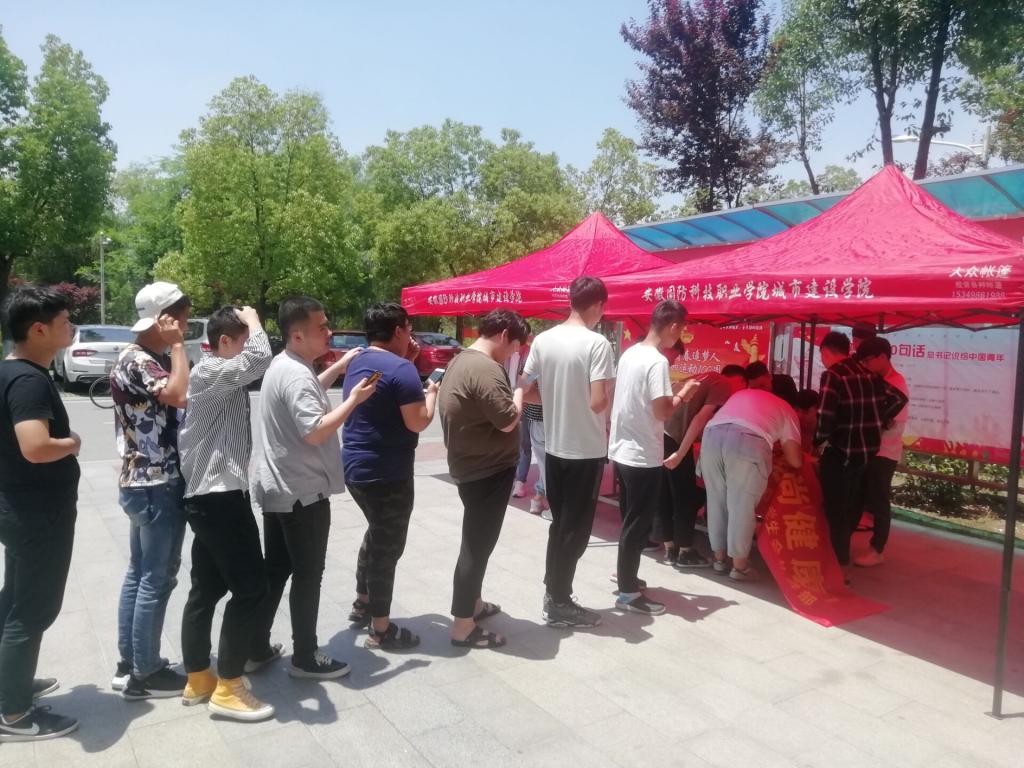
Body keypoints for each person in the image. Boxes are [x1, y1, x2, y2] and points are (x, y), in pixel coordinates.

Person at [251, 296, 375, 680]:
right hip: (302, 494)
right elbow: (315, 429)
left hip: (278, 488)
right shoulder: (296, 374)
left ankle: (255, 647)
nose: (329, 331)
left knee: (277, 570)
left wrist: (338, 366)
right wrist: (353, 400)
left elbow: (307, 396)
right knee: (308, 575)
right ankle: (305, 656)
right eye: (322, 327)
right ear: (297, 334)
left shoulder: (285, 365)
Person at [177, 306, 278, 721]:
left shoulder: (216, 375)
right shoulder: (212, 371)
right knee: (251, 589)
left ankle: (199, 676)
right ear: (224, 342)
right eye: (242, 340)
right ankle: (229, 686)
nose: (248, 345)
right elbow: (259, 359)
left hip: (209, 498)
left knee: (206, 589)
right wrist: (254, 319)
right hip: (219, 498)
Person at [0, 287, 80, 742]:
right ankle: (13, 715)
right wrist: (71, 444)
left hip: (18, 507)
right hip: (36, 515)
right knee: (33, 610)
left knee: (15, 600)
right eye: (65, 322)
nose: (71, 327)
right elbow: (35, 446)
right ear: (38, 330)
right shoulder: (29, 380)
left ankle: (8, 684)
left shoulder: (9, 371)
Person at [111, 282, 192, 700]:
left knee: (140, 573)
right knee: (156, 579)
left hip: (140, 480)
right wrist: (178, 347)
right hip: (156, 481)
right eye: (183, 319)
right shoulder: (142, 359)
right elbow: (179, 395)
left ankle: (130, 661)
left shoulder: (136, 357)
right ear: (166, 319)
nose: (186, 326)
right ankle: (146, 670)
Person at [343, 303, 438, 650]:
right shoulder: (402, 369)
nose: (411, 335)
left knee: (376, 533)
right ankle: (381, 629)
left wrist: (408, 361)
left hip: (355, 468)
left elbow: (384, 394)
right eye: (408, 329)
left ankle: (363, 601)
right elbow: (418, 421)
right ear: (398, 330)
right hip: (388, 473)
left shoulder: (358, 360)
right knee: (388, 548)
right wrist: (431, 394)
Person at [523, 276, 615, 629]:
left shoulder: (544, 340)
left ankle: (555, 592)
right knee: (575, 531)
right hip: (585, 450)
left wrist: (556, 398)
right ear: (598, 305)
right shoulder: (597, 344)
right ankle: (559, 600)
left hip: (555, 447)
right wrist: (609, 390)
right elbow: (597, 402)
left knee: (561, 524)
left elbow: (524, 387)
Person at [439, 310, 529, 649]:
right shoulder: (486, 368)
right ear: (504, 335)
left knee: (479, 542)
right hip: (486, 470)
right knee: (476, 547)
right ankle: (463, 626)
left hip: (472, 466)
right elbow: (507, 420)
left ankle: (473, 604)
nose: (513, 353)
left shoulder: (462, 360)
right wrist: (519, 390)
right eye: (515, 346)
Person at [609, 300, 688, 616]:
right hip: (642, 455)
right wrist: (683, 394)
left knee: (631, 521)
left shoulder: (630, 353)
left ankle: (626, 578)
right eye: (681, 330)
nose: (679, 336)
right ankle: (628, 593)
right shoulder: (656, 362)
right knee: (637, 526)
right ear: (673, 326)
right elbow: (662, 411)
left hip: (623, 450)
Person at [815, 331, 908, 569]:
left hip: (842, 452)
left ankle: (839, 562)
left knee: (838, 509)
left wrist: (818, 442)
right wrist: (877, 420)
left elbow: (824, 417)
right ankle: (842, 555)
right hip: (865, 454)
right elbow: (898, 399)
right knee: (852, 505)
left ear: (826, 352)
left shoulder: (833, 375)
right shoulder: (868, 374)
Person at [700, 388, 803, 580]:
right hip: (748, 441)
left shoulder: (742, 393)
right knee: (741, 506)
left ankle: (719, 560)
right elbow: (795, 460)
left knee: (716, 502)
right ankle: (739, 567)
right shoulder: (787, 410)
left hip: (711, 435)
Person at [661, 364, 747, 567]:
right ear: (739, 380)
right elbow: (701, 418)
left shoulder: (703, 377)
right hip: (676, 438)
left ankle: (670, 549)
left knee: (664, 493)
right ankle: (685, 552)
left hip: (660, 433)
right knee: (685, 495)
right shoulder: (723, 384)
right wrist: (681, 452)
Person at [853, 336, 909, 567]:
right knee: (860, 496)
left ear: (883, 357)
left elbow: (888, 422)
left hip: (885, 452)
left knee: (879, 500)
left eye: (868, 360)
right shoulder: (875, 380)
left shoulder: (896, 385)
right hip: (869, 449)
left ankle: (877, 548)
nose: (866, 365)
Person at [511, 327, 533, 499]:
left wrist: (523, 396)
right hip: (510, 403)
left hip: (526, 405)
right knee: (514, 444)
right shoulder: (509, 353)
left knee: (525, 444)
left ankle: (520, 481)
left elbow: (530, 381)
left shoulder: (531, 355)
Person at [794, 389, 820, 455]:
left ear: (817, 410)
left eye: (805, 412)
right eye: (797, 410)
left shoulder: (824, 435)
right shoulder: (791, 428)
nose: (799, 415)